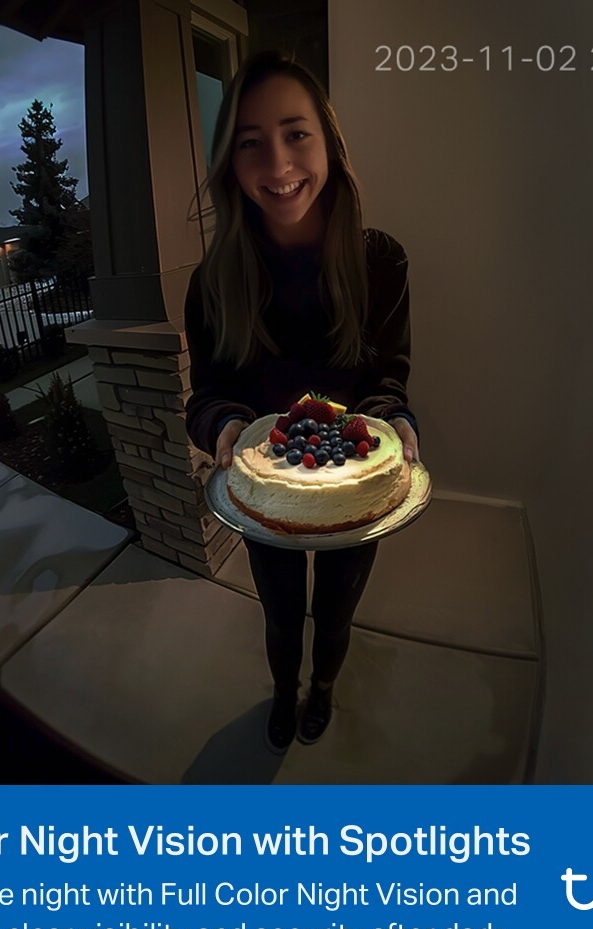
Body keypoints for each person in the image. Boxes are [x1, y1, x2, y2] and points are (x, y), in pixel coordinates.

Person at [185, 50, 419, 754]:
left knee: (336, 613)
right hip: (267, 494)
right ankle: (286, 693)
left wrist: (396, 420)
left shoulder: (381, 262)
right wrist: (226, 428)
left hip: (356, 489)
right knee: (283, 616)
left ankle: (323, 689)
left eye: (295, 133)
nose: (278, 162)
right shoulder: (212, 283)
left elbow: (387, 380)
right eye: (250, 142)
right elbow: (209, 397)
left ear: (328, 144)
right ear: (230, 164)